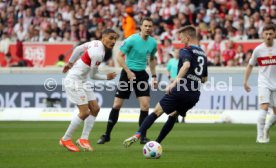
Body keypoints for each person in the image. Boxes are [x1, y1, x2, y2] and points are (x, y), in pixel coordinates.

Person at [123, 25, 208, 148]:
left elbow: (186, 65)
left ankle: (138, 134)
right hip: (194, 94)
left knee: (157, 111)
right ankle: (157, 143)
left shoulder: (186, 50)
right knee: (173, 115)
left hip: (180, 89)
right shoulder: (203, 54)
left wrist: (174, 83)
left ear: (188, 37)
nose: (180, 41)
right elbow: (205, 79)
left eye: (182, 38)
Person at [97, 17, 158, 145]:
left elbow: (152, 59)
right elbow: (119, 56)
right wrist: (128, 71)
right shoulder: (131, 40)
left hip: (141, 75)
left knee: (145, 105)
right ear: (140, 27)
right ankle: (107, 134)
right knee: (117, 104)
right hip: (127, 73)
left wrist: (154, 76)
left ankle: (142, 136)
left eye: (150, 26)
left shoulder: (153, 43)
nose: (148, 28)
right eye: (145, 26)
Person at [59, 29, 118, 152]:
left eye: (115, 39)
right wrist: (107, 77)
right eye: (111, 38)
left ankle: (83, 139)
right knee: (85, 112)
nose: (113, 41)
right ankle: (66, 138)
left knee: (95, 108)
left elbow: (78, 49)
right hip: (74, 81)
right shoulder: (99, 54)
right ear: (103, 37)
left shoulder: (94, 43)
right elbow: (93, 76)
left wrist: (69, 63)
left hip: (82, 80)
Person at [243, 24, 276, 144]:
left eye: (270, 34)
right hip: (264, 83)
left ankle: (267, 128)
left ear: (274, 34)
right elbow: (250, 65)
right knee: (264, 107)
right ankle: (260, 136)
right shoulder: (258, 49)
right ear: (262, 34)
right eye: (266, 34)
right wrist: (245, 81)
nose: (268, 36)